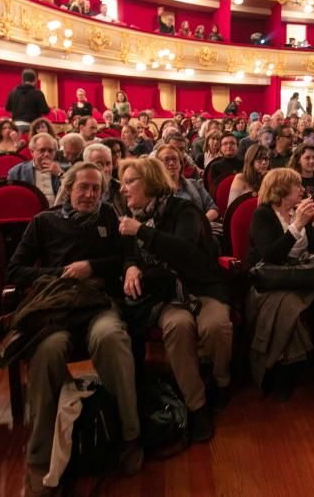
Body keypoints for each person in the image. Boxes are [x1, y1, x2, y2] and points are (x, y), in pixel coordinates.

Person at [7, 163, 142, 491]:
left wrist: (94, 267)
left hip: (98, 303)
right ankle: (40, 452)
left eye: (96, 189)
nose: (90, 195)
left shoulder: (108, 216)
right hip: (58, 307)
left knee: (112, 338)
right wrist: (60, 274)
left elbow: (127, 257)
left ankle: (130, 435)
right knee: (48, 350)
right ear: (68, 188)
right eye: (83, 187)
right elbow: (14, 270)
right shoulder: (45, 221)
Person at [118, 157, 231, 442]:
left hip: (201, 286)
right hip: (166, 295)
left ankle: (221, 381)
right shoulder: (134, 216)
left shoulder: (184, 210)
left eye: (130, 181)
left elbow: (183, 250)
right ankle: (197, 406)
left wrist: (140, 231)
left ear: (151, 182)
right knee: (178, 328)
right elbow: (127, 253)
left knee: (214, 327)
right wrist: (130, 266)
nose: (123, 188)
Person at [247, 169, 314, 400]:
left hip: (301, 273)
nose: (303, 190)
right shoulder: (263, 215)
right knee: (291, 308)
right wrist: (297, 225)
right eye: (297, 185)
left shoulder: (296, 210)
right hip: (274, 277)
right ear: (281, 189)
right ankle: (285, 374)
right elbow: (271, 255)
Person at [157, 144, 220, 223]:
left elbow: (213, 208)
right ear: (158, 165)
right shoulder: (155, 191)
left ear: (180, 163)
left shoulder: (194, 184)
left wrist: (200, 223)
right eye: (166, 160)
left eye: (174, 159)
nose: (171, 163)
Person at [8, 133, 63, 205]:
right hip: (30, 212)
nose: (47, 154)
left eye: (50, 151)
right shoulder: (17, 172)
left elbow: (71, 195)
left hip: (57, 213)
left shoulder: (64, 169)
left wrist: (60, 174)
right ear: (32, 152)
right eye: (42, 150)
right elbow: (12, 200)